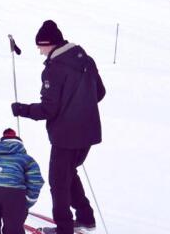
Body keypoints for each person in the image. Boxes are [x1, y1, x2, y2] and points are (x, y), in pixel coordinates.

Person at [11, 20, 105, 234]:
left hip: (66, 136)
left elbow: (48, 110)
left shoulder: (54, 70)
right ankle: (86, 218)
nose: (39, 51)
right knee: (68, 173)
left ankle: (64, 228)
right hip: (88, 132)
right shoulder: (85, 59)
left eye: (40, 46)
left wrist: (21, 109)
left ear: (50, 43)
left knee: (58, 181)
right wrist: (79, 105)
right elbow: (99, 93)